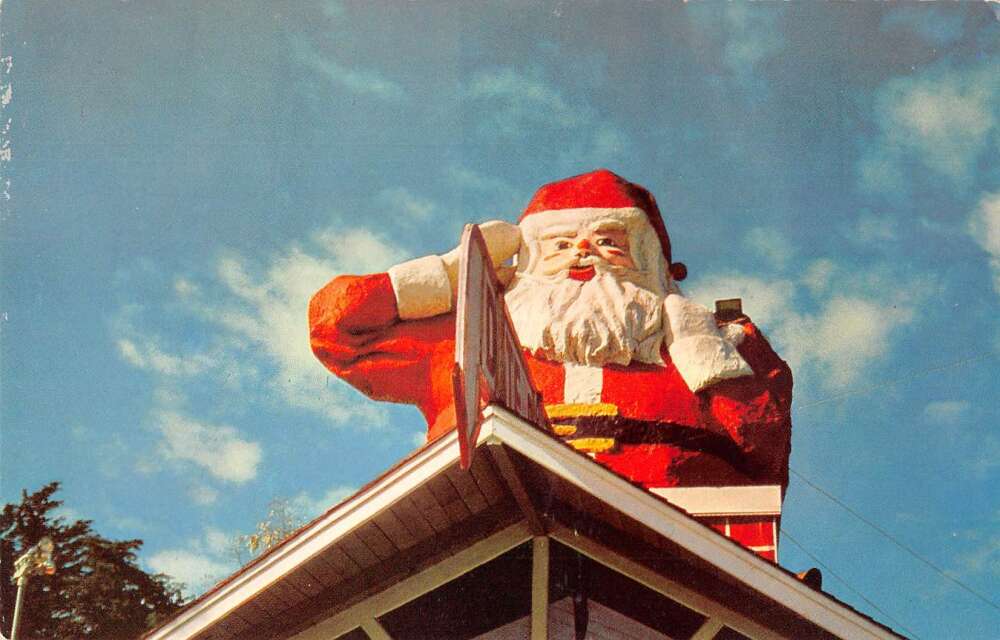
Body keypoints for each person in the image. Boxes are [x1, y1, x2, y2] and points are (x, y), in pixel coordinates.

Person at [309, 169, 791, 490]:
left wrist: (704, 350)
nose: (582, 253)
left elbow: (762, 456)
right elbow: (335, 330)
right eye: (560, 244)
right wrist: (449, 275)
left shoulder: (718, 341)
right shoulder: (467, 335)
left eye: (609, 242)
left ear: (647, 263)